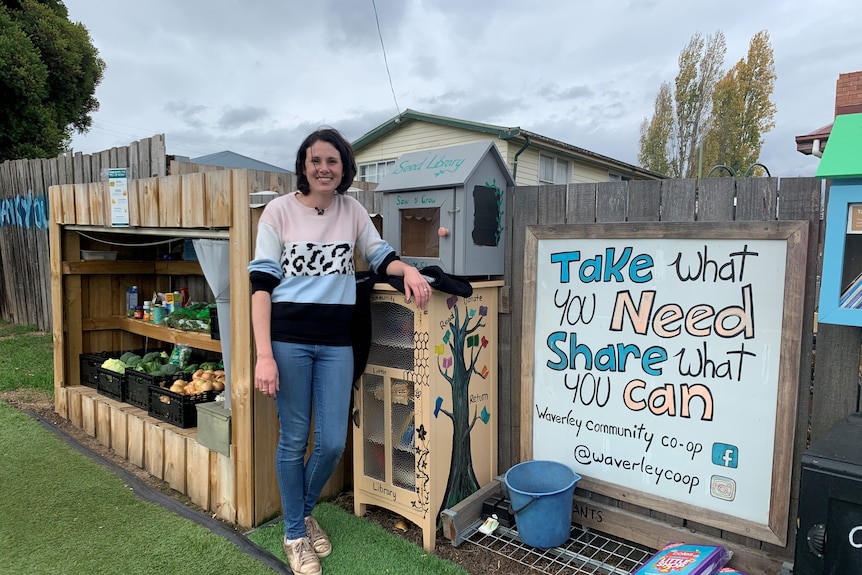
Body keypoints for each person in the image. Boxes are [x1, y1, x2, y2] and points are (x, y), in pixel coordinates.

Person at [248, 127, 431, 575]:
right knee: (293, 439)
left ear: (345, 168)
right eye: (316, 161)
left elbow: (380, 254)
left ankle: (303, 511)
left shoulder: (352, 212)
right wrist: (263, 355)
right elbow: (260, 288)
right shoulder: (277, 212)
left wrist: (406, 270)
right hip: (288, 342)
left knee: (331, 442)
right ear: (304, 166)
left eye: (332, 161)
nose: (324, 168)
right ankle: (295, 535)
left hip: (335, 343)